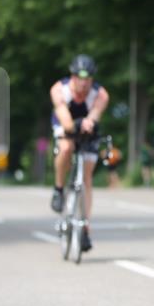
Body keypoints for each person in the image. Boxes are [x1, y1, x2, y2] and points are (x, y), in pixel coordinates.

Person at [49, 54, 110, 252]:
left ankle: (85, 229)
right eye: (79, 78)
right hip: (65, 122)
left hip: (86, 127)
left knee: (87, 178)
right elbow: (65, 120)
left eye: (88, 79)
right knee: (66, 148)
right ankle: (59, 189)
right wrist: (75, 125)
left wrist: (89, 123)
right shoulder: (59, 90)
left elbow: (94, 115)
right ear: (72, 76)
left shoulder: (100, 94)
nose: (83, 84)